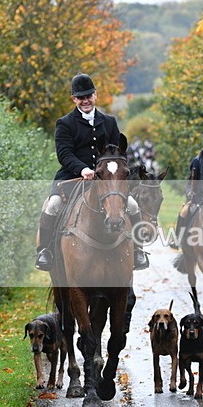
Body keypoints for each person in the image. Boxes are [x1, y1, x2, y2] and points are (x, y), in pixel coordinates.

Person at [35, 73, 149, 271]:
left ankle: (138, 251)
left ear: (95, 95)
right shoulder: (65, 123)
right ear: (74, 99)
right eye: (80, 97)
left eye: (88, 95)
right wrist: (83, 168)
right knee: (52, 205)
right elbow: (64, 153)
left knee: (132, 205)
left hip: (107, 180)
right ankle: (45, 251)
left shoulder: (109, 122)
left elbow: (116, 152)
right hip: (73, 177)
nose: (85, 100)